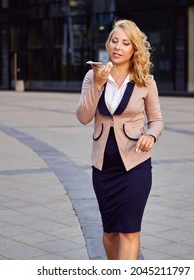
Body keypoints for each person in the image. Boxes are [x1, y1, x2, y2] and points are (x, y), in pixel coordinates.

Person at [76, 19, 164, 260]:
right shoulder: (93, 76)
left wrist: (150, 135)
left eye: (125, 43)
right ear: (108, 44)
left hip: (135, 164)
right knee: (111, 233)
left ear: (134, 48)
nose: (118, 46)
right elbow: (83, 117)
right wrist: (97, 84)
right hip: (103, 167)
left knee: (129, 231)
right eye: (114, 41)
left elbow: (157, 120)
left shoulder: (146, 80)